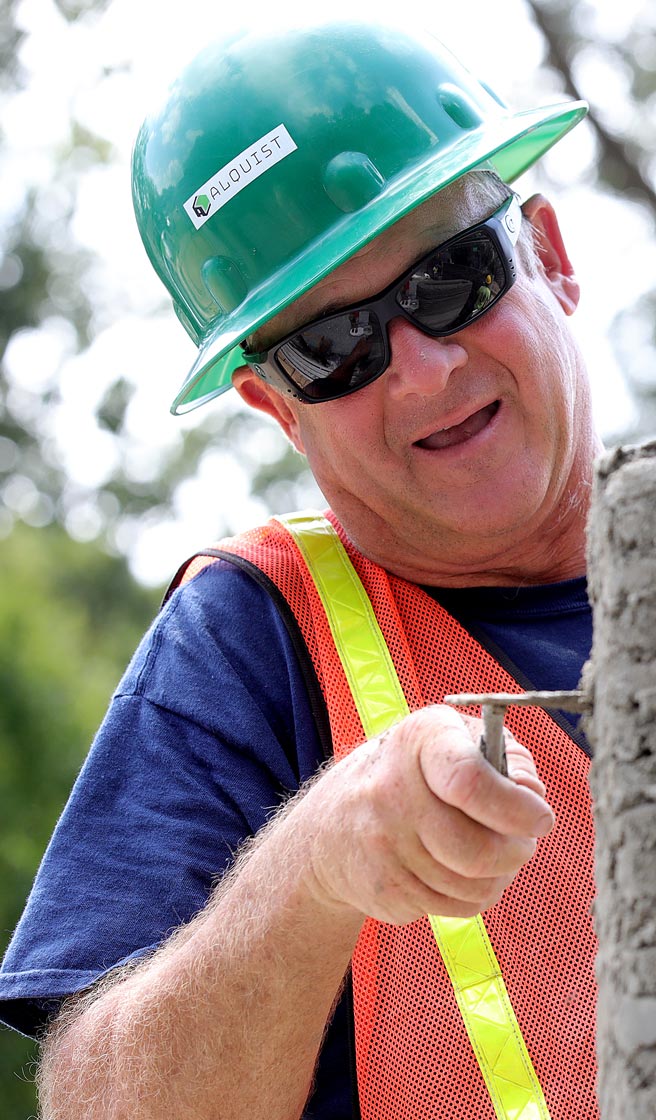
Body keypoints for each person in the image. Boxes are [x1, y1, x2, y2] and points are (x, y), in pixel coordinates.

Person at [0, 20, 603, 1120]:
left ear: (548, 258)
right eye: (331, 351)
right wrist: (319, 862)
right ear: (276, 407)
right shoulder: (253, 638)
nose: (421, 373)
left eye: (450, 278)